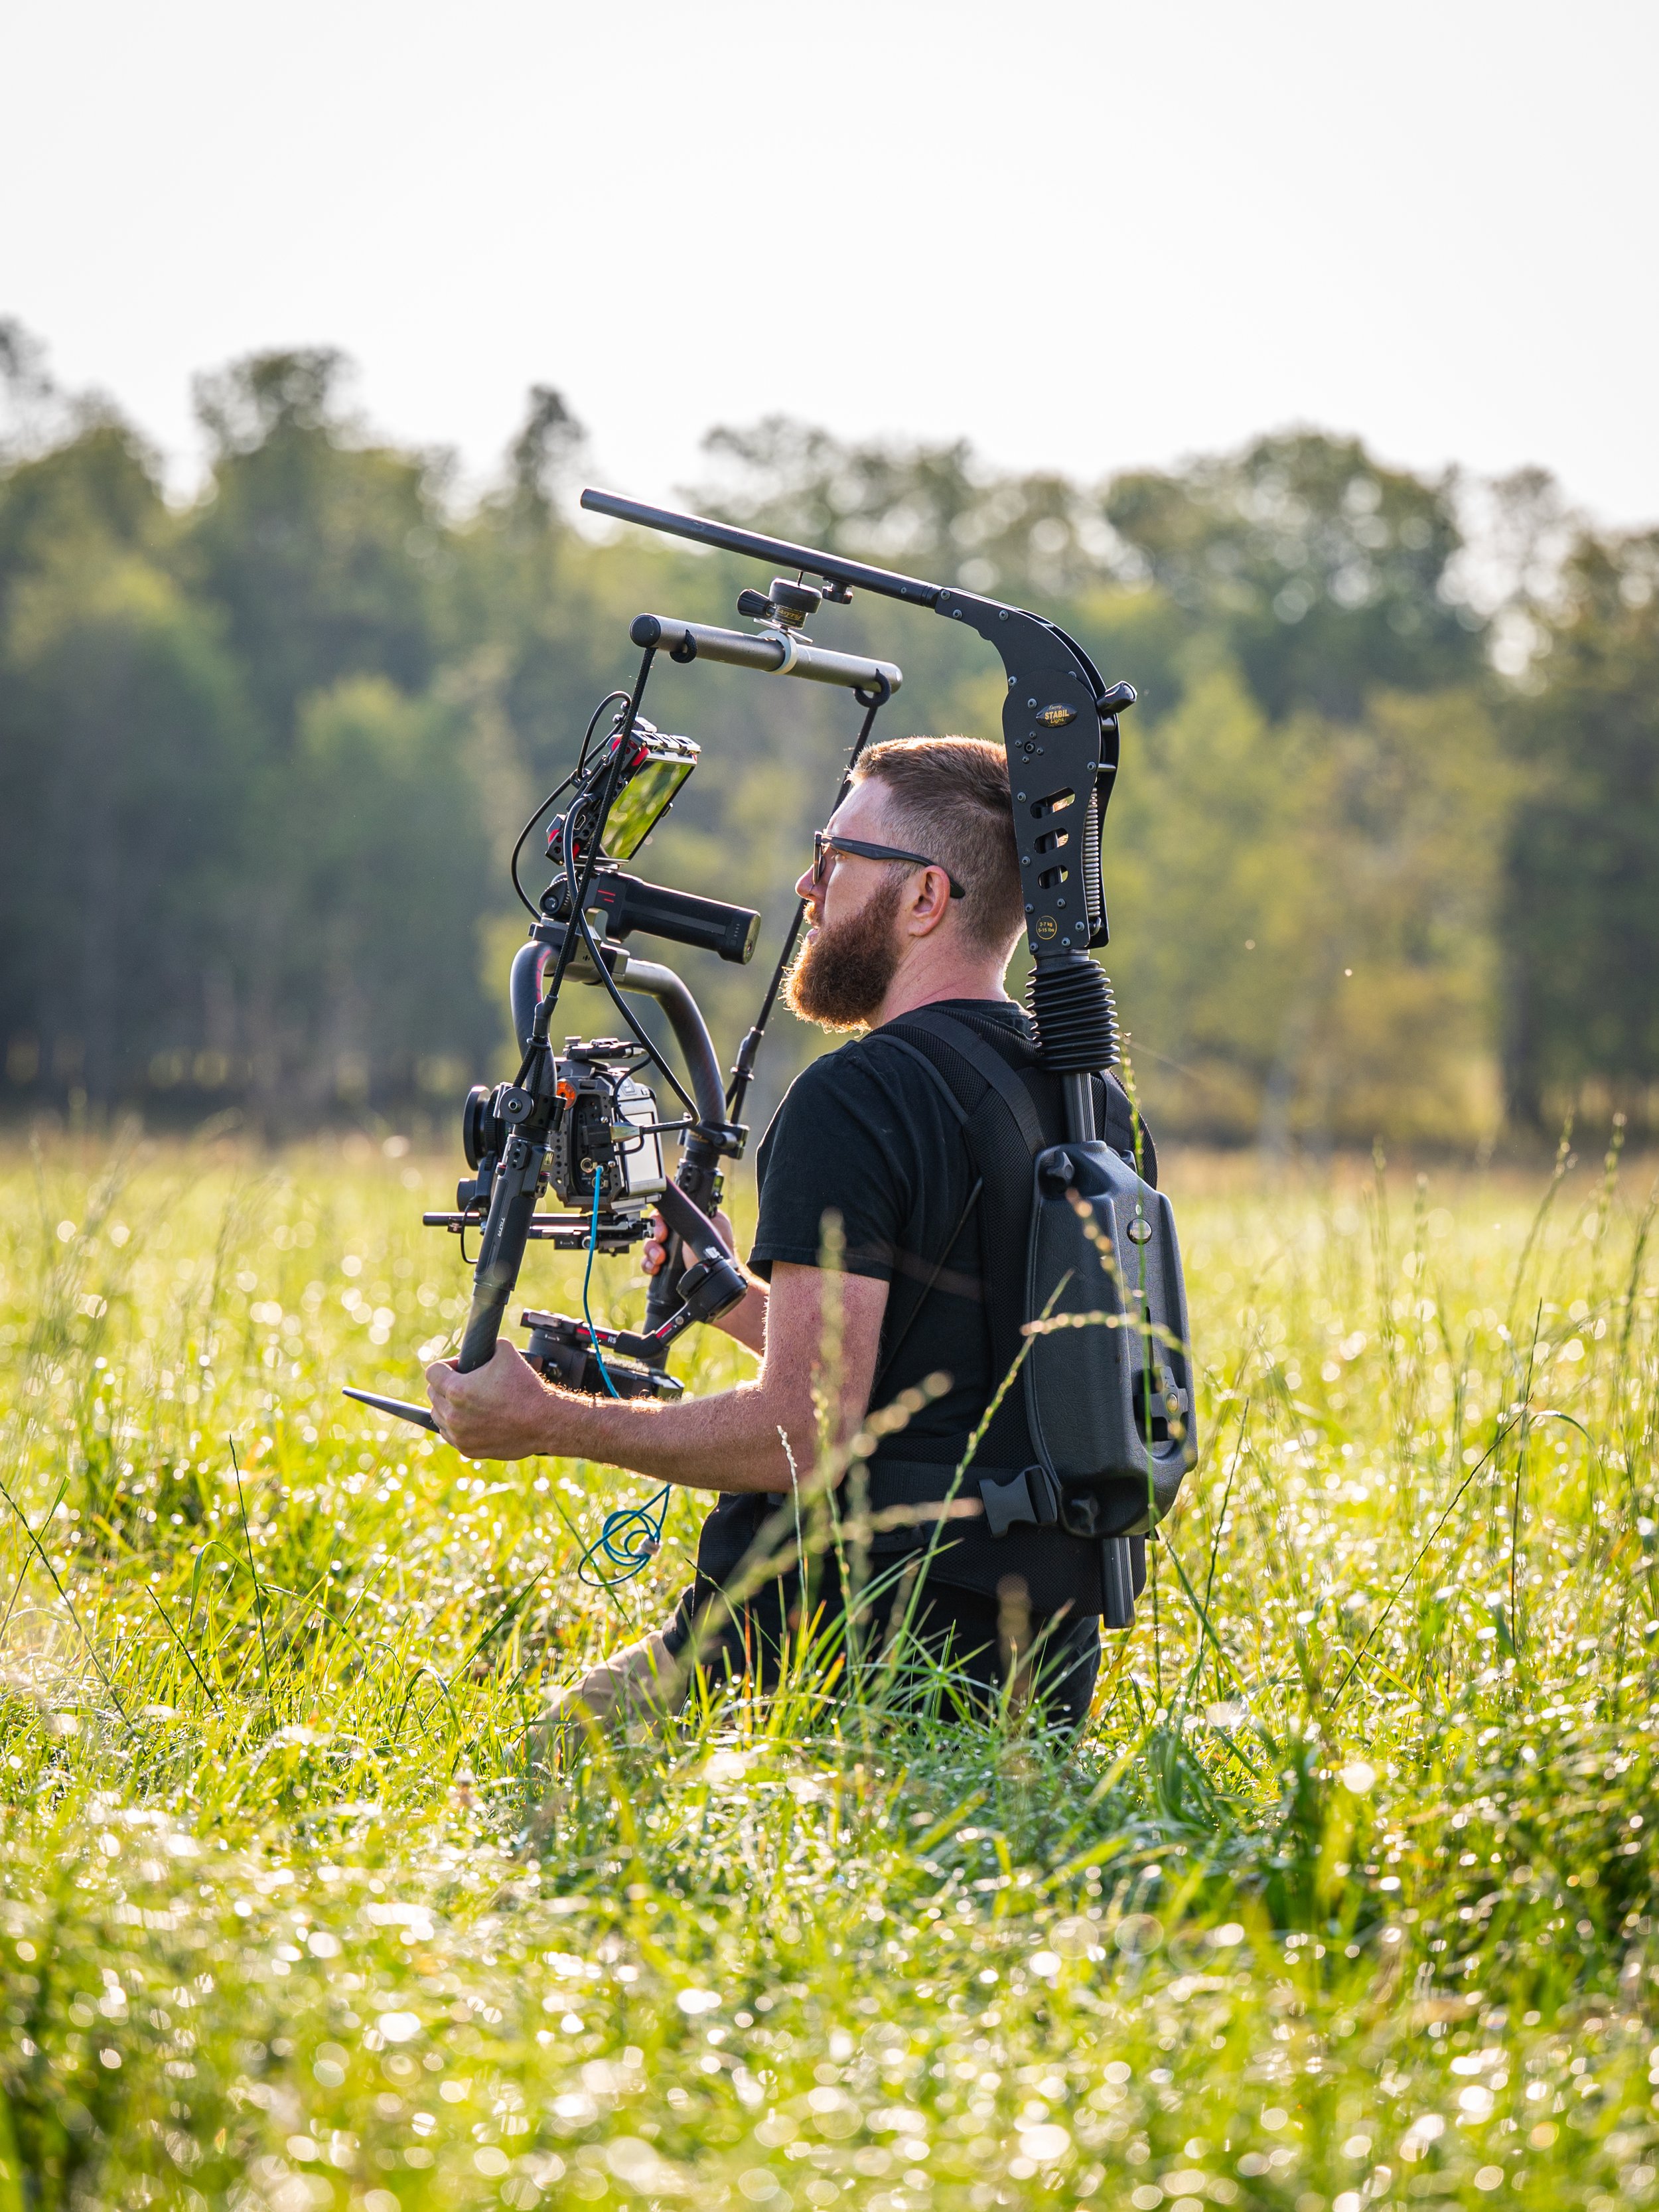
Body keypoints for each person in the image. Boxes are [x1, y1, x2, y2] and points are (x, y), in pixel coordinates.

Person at [425, 735, 1155, 1746]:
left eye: (837, 855)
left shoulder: (854, 1098)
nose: (811, 886)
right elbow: (948, 1376)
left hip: (833, 1658)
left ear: (925, 898)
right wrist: (726, 1300)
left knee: (534, 1785)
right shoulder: (1088, 1101)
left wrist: (545, 1418)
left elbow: (805, 1431)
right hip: (1041, 1675)